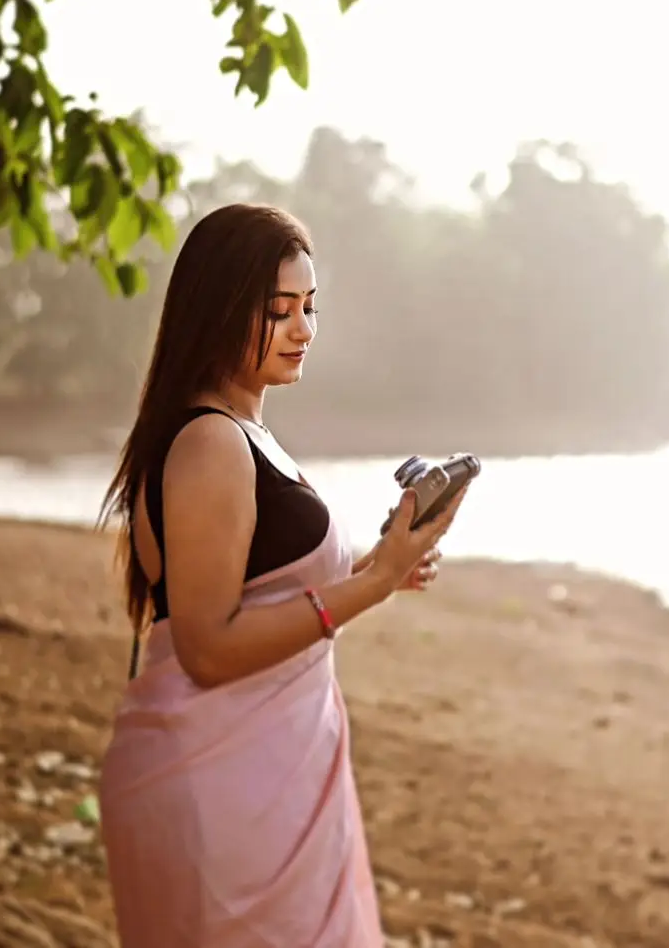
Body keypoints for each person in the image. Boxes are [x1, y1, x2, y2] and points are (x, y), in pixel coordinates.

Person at [97, 203, 466, 948]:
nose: (304, 330)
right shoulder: (210, 443)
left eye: (310, 308)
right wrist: (370, 583)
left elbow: (268, 597)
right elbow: (206, 646)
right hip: (221, 796)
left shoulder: (245, 436)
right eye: (280, 311)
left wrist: (382, 566)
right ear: (222, 311)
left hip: (262, 785)